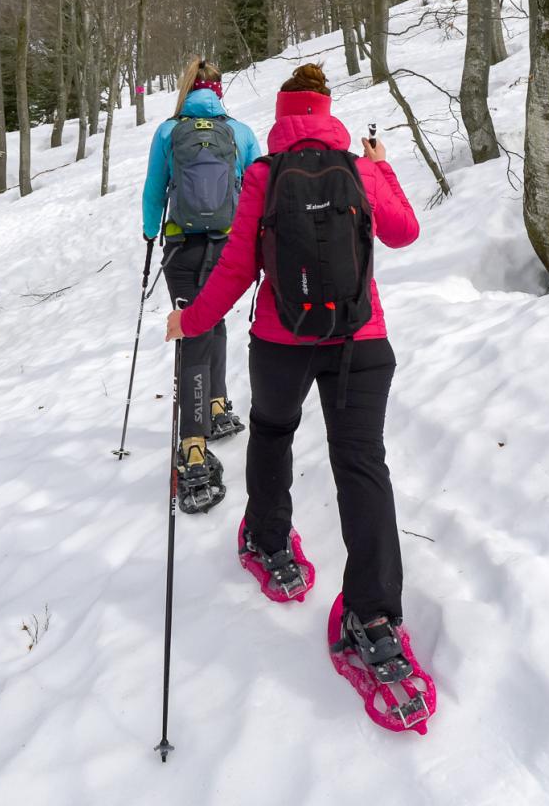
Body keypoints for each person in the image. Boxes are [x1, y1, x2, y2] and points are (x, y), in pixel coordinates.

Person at [165, 62, 423, 679]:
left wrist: (191, 322)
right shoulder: (359, 169)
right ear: (328, 111)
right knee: (362, 463)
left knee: (274, 431)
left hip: (281, 339)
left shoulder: (261, 174)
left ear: (282, 116)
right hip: (362, 341)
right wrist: (382, 164)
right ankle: (376, 617)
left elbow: (233, 270)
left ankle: (268, 539)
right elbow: (405, 232)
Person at [142, 57, 261, 512]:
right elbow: (253, 187)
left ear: (187, 88)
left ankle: (192, 443)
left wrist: (151, 231)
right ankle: (214, 405)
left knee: (192, 326)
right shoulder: (241, 132)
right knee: (215, 319)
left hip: (182, 248)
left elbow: (155, 189)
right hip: (228, 249)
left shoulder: (170, 132)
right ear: (219, 90)